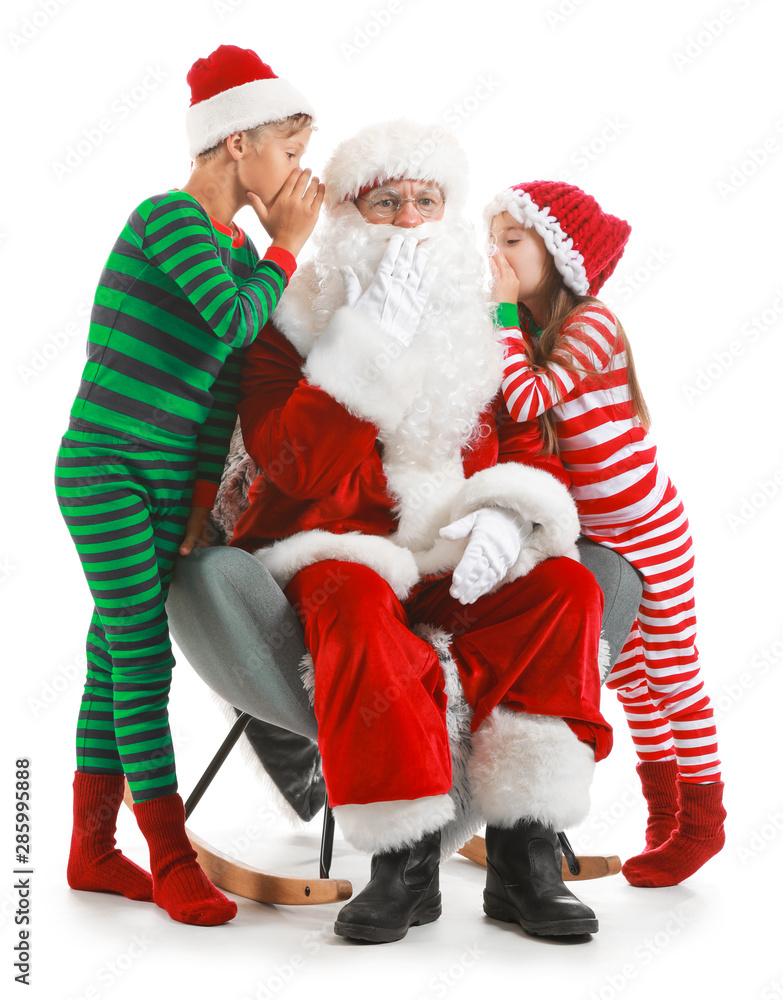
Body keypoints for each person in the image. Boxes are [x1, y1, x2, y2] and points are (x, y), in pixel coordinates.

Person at [230, 119, 613, 943]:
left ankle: (524, 856)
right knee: (354, 603)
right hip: (339, 549)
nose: (409, 221)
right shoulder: (283, 324)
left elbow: (520, 443)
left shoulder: (482, 323)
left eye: (426, 201)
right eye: (386, 201)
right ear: (345, 214)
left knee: (566, 586)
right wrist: (364, 342)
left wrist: (510, 512)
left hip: (454, 550)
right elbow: (293, 465)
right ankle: (400, 864)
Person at [54, 44, 324, 926]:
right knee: (140, 656)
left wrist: (204, 500)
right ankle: (168, 855)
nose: (297, 173)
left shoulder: (240, 250)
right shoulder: (167, 220)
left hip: (170, 487)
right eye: (288, 150)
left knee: (109, 656)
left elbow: (220, 390)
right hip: (104, 470)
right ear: (237, 142)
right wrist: (286, 247)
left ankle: (92, 851)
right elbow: (234, 316)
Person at [486, 180, 726, 887]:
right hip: (598, 537)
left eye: (510, 241)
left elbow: (524, 397)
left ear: (555, 256)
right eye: (489, 242)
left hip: (646, 525)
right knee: (624, 676)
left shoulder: (590, 323)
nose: (493, 257)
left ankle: (704, 822)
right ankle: (662, 811)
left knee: (671, 669)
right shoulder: (520, 330)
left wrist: (498, 309)